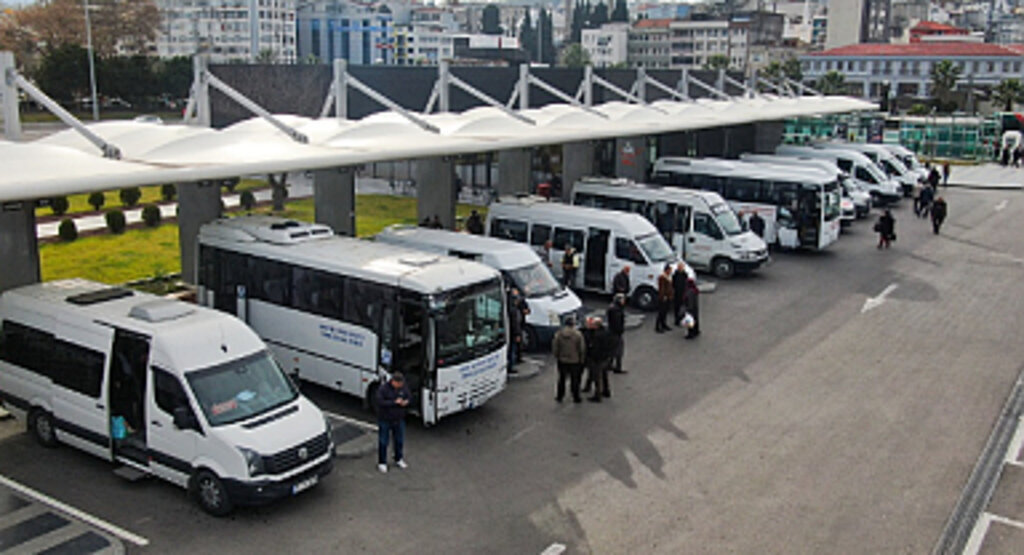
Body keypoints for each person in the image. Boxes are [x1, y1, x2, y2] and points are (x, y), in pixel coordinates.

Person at [376, 372, 411, 473]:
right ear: (393, 381)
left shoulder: (403, 387)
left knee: (399, 441)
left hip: (399, 419)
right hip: (385, 419)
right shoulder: (384, 389)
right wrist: (394, 402)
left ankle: (398, 458)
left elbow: (409, 396)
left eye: (401, 384)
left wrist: (406, 402)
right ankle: (382, 462)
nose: (401, 386)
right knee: (383, 441)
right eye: (399, 383)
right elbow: (380, 402)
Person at [552, 316, 586, 403]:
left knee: (562, 379)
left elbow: (555, 347)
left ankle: (560, 396)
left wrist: (557, 356)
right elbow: (581, 348)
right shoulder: (578, 335)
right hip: (574, 360)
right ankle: (576, 397)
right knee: (575, 380)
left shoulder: (559, 334)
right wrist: (581, 359)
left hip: (562, 360)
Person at [581, 317, 614, 402]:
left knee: (597, 377)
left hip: (597, 359)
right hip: (606, 357)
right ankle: (606, 391)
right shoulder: (606, 332)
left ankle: (597, 395)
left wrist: (592, 356)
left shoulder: (597, 335)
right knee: (604, 375)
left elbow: (595, 348)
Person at [607, 294, 627, 374]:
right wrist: (620, 330)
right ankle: (618, 367)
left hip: (612, 332)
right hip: (616, 333)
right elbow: (617, 323)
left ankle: (609, 365)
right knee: (619, 350)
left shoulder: (613, 308)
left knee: (612, 349)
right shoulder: (616, 310)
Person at [506, 287, 525, 371]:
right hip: (513, 333)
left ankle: (515, 361)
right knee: (512, 350)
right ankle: (510, 366)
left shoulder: (512, 308)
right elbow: (515, 324)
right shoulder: (513, 310)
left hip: (513, 332)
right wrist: (517, 334)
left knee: (513, 348)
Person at [655, 264, 673, 333]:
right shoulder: (662, 278)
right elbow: (662, 288)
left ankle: (664, 324)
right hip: (663, 298)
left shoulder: (668, 277)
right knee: (661, 312)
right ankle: (658, 326)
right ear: (667, 270)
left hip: (668, 297)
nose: (671, 271)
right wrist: (663, 296)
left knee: (665, 312)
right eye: (670, 270)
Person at [684, 275, 701, 339]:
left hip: (690, 309)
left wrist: (688, 309)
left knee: (689, 321)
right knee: (695, 320)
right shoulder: (695, 290)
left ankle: (690, 334)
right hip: (695, 308)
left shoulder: (689, 292)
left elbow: (689, 301)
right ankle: (696, 331)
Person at [672, 262, 688, 326]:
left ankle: (682, 319)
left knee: (683, 307)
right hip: (677, 293)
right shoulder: (675, 275)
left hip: (683, 293)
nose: (681, 268)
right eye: (680, 267)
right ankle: (677, 320)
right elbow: (673, 284)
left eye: (682, 267)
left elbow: (686, 283)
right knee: (677, 307)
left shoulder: (685, 274)